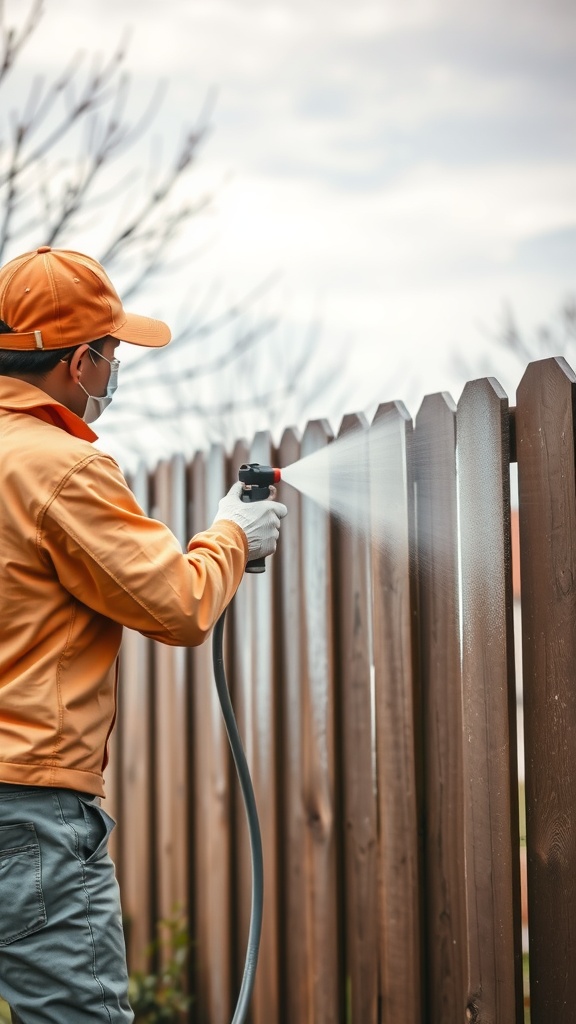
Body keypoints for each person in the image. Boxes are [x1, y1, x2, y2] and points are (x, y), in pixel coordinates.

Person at [0, 246, 288, 1023]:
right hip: (25, 812)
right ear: (80, 361)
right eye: (112, 351)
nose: (115, 366)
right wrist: (234, 533)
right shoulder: (60, 469)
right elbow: (181, 604)